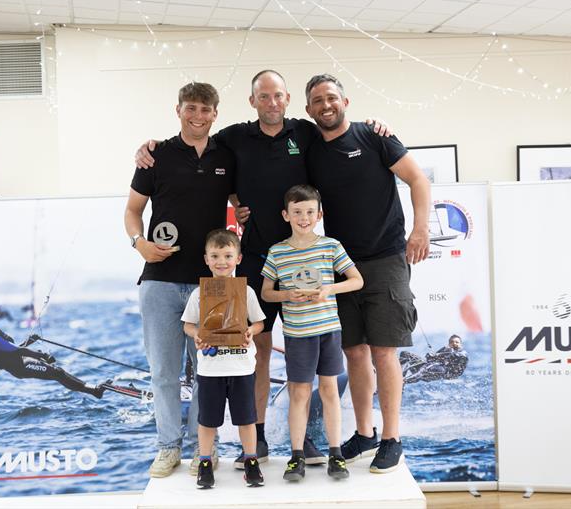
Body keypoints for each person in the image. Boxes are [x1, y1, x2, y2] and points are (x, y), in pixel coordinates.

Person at [134, 71, 390, 468]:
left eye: (277, 96)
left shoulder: (305, 132)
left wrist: (373, 127)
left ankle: (311, 441)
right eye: (262, 97)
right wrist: (149, 148)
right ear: (252, 102)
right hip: (251, 261)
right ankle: (254, 444)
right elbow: (195, 144)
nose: (271, 103)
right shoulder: (233, 137)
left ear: (288, 99)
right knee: (255, 351)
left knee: (315, 353)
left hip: (302, 258)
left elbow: (339, 130)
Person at [303, 73, 431, 474]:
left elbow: (417, 179)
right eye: (318, 101)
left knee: (384, 352)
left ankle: (392, 438)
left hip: (387, 260)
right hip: (341, 267)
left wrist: (420, 228)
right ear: (308, 110)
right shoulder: (310, 150)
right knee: (354, 353)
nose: (326, 105)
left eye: (332, 97)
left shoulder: (375, 136)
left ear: (345, 100)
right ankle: (365, 433)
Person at [124, 82, 235, 478]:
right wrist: (140, 244)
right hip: (160, 281)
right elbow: (133, 212)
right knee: (163, 374)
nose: (198, 116)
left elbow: (243, 206)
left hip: (216, 284)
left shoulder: (228, 156)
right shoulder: (156, 156)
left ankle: (205, 449)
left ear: (215, 114)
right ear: (178, 110)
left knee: (212, 371)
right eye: (191, 108)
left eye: (205, 110)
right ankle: (168, 448)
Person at [261, 184, 364, 482]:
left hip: (328, 330)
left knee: (330, 390)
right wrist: (287, 295)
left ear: (319, 214)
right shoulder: (277, 251)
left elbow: (356, 280)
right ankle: (296, 456)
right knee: (300, 392)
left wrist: (330, 288)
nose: (303, 217)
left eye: (309, 212)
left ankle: (336, 454)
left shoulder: (331, 246)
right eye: (297, 212)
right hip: (297, 334)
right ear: (286, 215)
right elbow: (267, 293)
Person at [181, 229, 267, 489]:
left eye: (228, 255)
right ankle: (205, 462)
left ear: (238, 258)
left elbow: (260, 322)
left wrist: (251, 331)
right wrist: (197, 335)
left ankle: (251, 461)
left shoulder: (247, 291)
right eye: (215, 256)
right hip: (210, 370)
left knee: (246, 419)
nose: (221, 261)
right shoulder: (199, 294)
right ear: (206, 259)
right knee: (207, 421)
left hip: (241, 367)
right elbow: (188, 324)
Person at [0, 307, 108, 398]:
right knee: (57, 373)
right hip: (21, 367)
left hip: (22, 363)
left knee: (58, 372)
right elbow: (19, 351)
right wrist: (42, 355)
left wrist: (29, 341)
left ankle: (94, 390)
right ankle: (95, 391)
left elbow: (12, 350)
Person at [401, 335, 469, 384]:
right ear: (449, 343)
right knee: (405, 354)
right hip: (431, 367)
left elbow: (454, 355)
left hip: (444, 372)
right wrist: (430, 356)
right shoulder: (446, 349)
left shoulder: (463, 353)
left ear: (461, 344)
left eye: (457, 342)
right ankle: (400, 375)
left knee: (425, 368)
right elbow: (433, 358)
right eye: (452, 342)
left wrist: (439, 354)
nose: (454, 343)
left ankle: (402, 381)